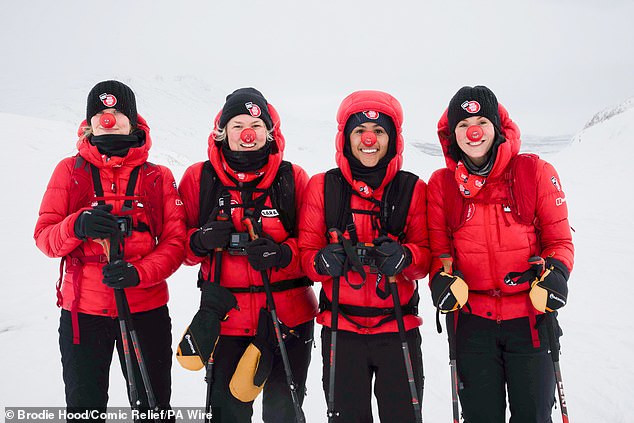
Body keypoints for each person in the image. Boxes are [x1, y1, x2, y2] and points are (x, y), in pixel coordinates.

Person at [34, 80, 186, 421]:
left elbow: (176, 243)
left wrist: (138, 272)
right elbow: (45, 237)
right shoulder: (69, 171)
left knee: (154, 409)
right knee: (84, 410)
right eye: (101, 113)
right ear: (89, 122)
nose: (109, 119)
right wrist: (77, 225)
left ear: (133, 121)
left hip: (145, 309)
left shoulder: (158, 177)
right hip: (82, 314)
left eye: (118, 112)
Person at [427, 85, 574, 423]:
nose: (472, 131)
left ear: (496, 126)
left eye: (481, 121)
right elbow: (439, 252)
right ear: (452, 134)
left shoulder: (533, 171)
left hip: (531, 323)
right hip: (472, 327)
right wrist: (441, 281)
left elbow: (559, 241)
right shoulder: (441, 185)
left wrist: (556, 274)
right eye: (463, 124)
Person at [178, 87, 318, 423]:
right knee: (227, 414)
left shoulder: (293, 178)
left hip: (290, 321)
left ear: (270, 132)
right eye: (237, 124)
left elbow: (314, 251)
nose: (247, 133)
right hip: (226, 321)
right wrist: (199, 241)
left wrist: (283, 254)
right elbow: (175, 247)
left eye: (255, 124)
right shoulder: (199, 179)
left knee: (283, 414)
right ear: (222, 131)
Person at [298, 90, 430, 423]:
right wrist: (321, 262)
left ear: (393, 139)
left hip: (398, 329)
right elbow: (306, 257)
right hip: (341, 333)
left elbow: (426, 257)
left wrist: (405, 257)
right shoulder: (322, 187)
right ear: (345, 138)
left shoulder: (413, 189)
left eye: (379, 132)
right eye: (359, 131)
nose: (368, 139)